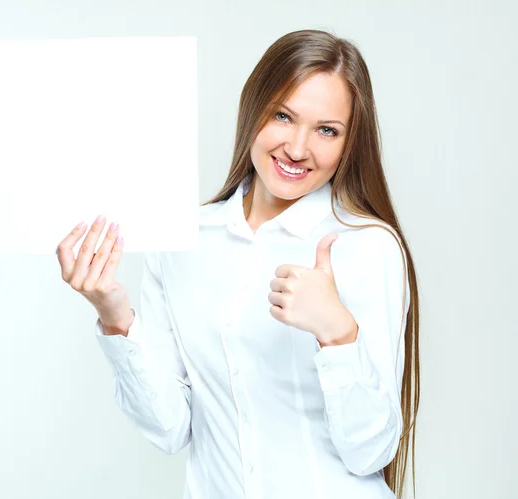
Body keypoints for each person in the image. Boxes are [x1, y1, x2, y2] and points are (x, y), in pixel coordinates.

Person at [56, 29, 420, 499]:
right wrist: (114, 315)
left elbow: (369, 453)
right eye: (283, 116)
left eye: (326, 130)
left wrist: (337, 332)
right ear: (254, 110)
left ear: (349, 144)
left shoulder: (366, 246)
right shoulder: (185, 240)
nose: (297, 148)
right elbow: (170, 429)